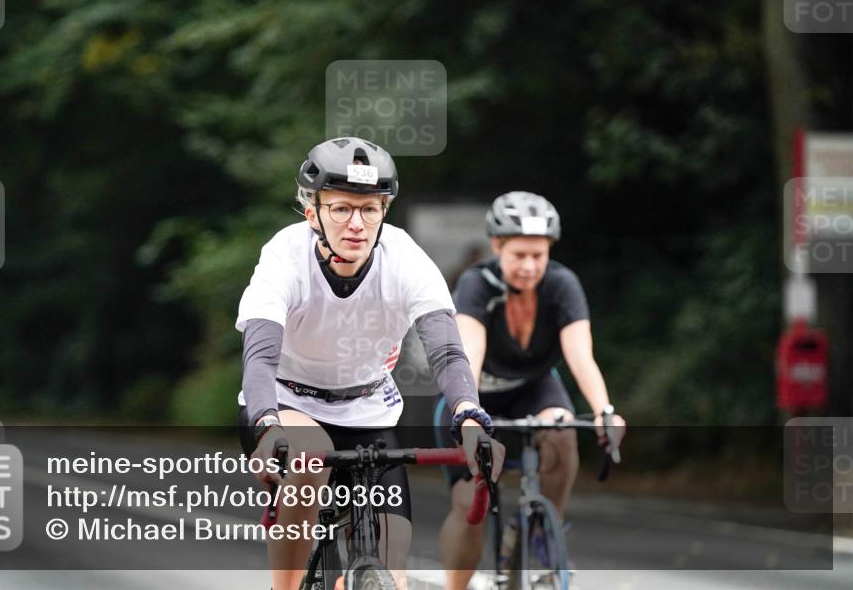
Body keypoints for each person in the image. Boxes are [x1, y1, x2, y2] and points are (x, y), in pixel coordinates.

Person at [235, 137, 505, 590]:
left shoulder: (404, 258)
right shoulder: (284, 256)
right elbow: (260, 355)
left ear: (384, 213)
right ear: (312, 214)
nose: (356, 223)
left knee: (391, 577)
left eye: (370, 209)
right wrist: (266, 425)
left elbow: (446, 349)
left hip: (368, 413)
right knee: (307, 460)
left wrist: (470, 417)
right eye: (341, 208)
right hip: (286, 405)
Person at [436, 191, 626, 590]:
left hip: (535, 389)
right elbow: (467, 357)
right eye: (519, 255)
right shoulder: (477, 285)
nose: (529, 266)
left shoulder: (561, 284)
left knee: (563, 432)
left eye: (538, 255)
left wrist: (605, 410)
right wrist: (467, 414)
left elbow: (580, 355)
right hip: (476, 395)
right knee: (468, 507)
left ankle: (542, 532)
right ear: (497, 246)